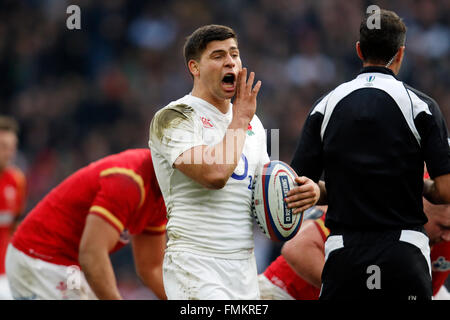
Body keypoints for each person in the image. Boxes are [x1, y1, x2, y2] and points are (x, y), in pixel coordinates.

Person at [148, 24, 320, 300]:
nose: (230, 61)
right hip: (195, 264)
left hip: (243, 268)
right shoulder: (174, 117)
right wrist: (240, 118)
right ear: (195, 67)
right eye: (217, 56)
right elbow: (215, 174)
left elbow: (264, 194)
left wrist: (304, 193)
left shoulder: (254, 124)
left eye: (234, 54)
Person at [290, 9, 450, 300]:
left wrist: (327, 191)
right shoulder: (422, 107)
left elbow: (298, 187)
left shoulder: (324, 106)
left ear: (359, 50)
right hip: (405, 254)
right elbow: (446, 190)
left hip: (343, 255)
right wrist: (421, 186)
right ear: (401, 53)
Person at [5, 149, 167, 300]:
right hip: (41, 258)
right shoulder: (127, 180)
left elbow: (151, 269)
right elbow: (92, 255)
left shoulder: (164, 192)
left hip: (71, 267)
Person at [260, 201, 450, 300]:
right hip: (284, 292)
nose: (447, 237)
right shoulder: (377, 207)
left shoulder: (445, 240)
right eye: (444, 226)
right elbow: (296, 248)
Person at [0, 116, 26, 299]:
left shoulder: (17, 180)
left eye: (12, 147)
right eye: (3, 146)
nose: (9, 153)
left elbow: (15, 228)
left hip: (6, 274)